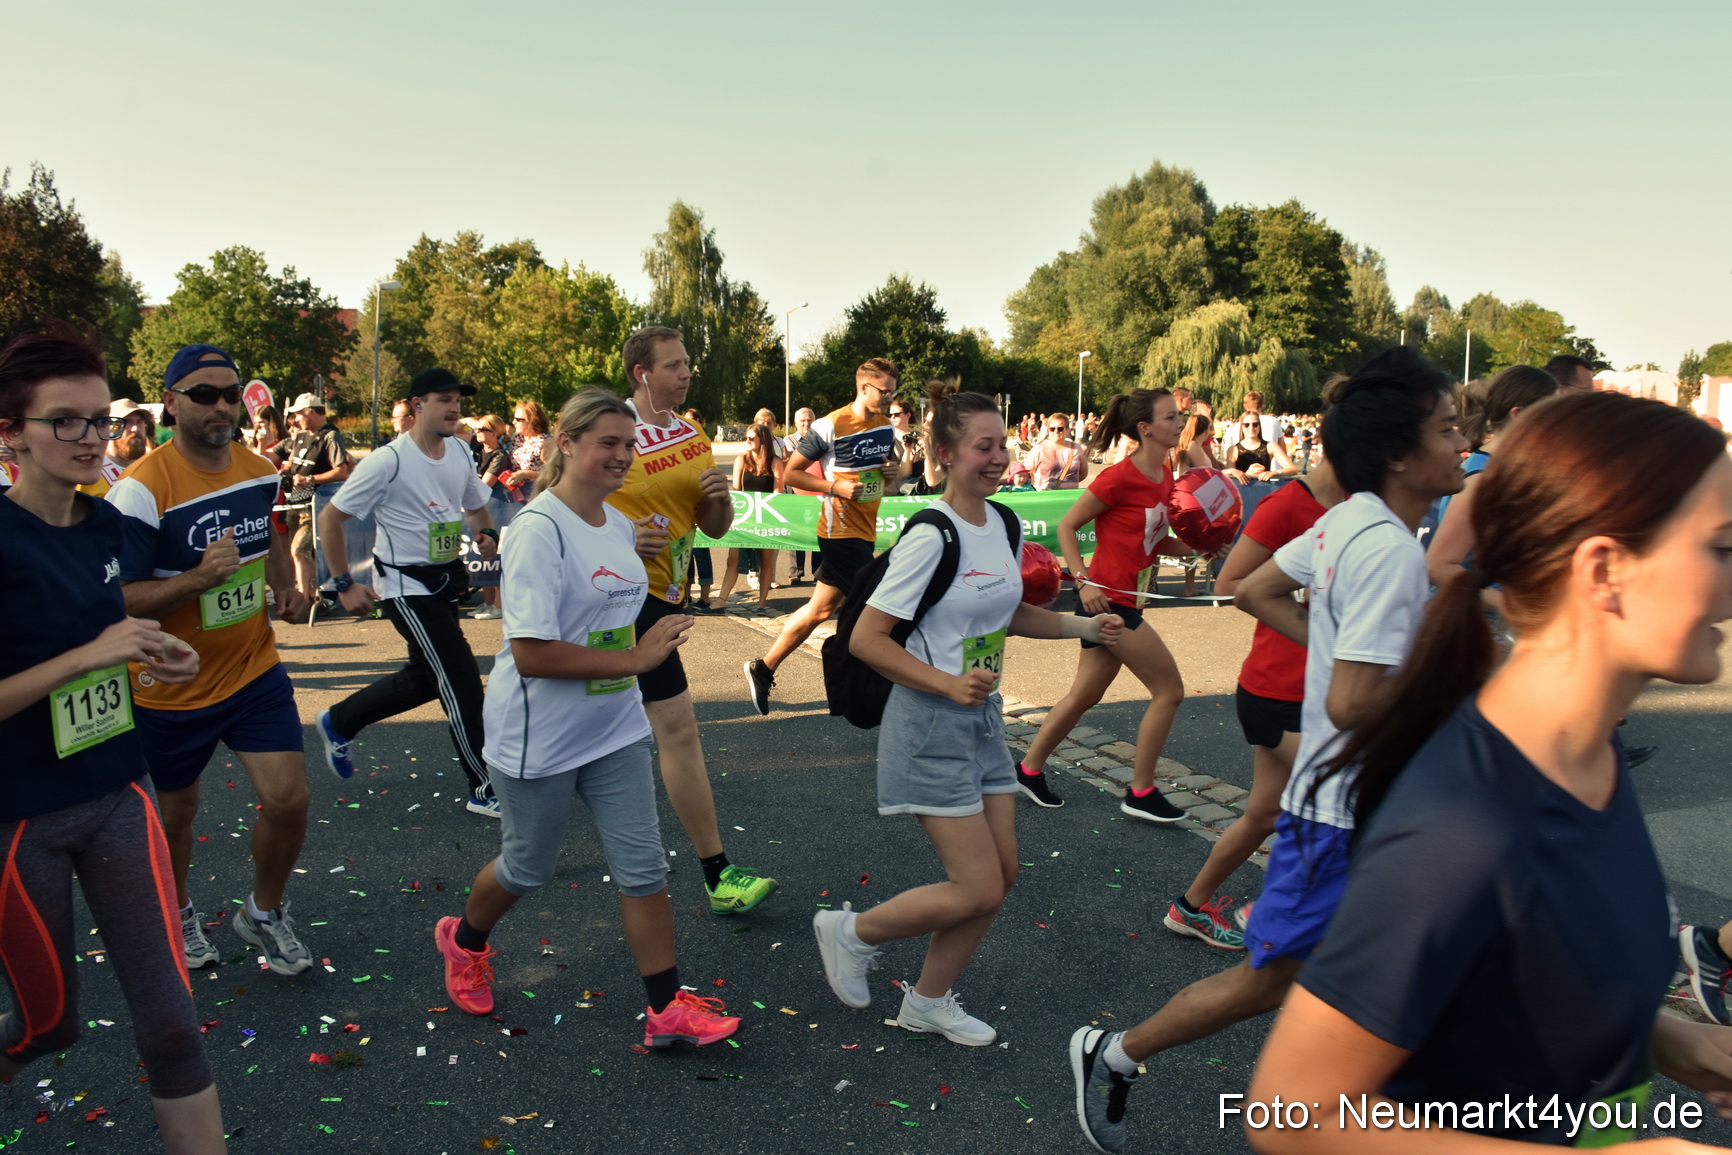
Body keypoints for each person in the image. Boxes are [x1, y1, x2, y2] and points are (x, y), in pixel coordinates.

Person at [1244, 391, 1732, 1151]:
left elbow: (1523, 977)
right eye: (1722, 546)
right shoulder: (1466, 821)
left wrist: (1669, 1037)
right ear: (1604, 569)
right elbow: (1295, 1112)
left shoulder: (1586, 754)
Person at [1069, 346, 1467, 1155]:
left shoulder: (1351, 520)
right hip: (1345, 814)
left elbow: (1252, 589)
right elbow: (1355, 699)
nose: (1464, 443)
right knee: (1275, 982)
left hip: (1362, 806)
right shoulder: (1388, 548)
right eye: (1449, 428)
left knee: (1416, 974)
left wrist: (1332, 646)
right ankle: (1114, 1053)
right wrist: (1455, 689)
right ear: (1398, 452)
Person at [814, 383, 1123, 1045]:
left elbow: (1006, 613)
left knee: (1000, 876)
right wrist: (945, 685)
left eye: (1003, 444)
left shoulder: (1004, 523)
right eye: (984, 446)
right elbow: (866, 638)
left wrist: (1085, 628)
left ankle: (927, 1000)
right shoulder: (931, 536)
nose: (999, 457)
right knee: (978, 884)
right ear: (948, 454)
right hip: (928, 723)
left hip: (981, 720)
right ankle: (851, 931)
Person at [433, 388, 739, 1049]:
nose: (624, 456)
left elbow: (619, 607)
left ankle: (665, 1009)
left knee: (644, 867)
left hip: (613, 726)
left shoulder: (618, 524)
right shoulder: (538, 530)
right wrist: (635, 658)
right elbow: (533, 653)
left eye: (630, 445)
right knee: (525, 865)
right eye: (609, 442)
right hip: (538, 733)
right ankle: (464, 941)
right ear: (566, 443)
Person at [0, 322, 227, 1154]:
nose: (92, 437)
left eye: (100, 420)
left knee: (172, 1022)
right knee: (48, 1025)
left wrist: (157, 655)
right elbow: (81, 652)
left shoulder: (103, 528)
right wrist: (91, 654)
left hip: (117, 792)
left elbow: (107, 643)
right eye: (66, 420)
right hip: (19, 817)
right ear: (10, 434)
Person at [107, 343, 316, 976]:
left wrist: (284, 581)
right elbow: (117, 598)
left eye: (231, 394)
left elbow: (270, 532)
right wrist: (196, 580)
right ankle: (177, 909)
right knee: (177, 814)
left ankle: (263, 911)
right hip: (169, 687)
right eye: (204, 395)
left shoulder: (257, 469)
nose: (222, 405)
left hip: (252, 669)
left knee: (289, 800)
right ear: (170, 403)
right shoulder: (143, 491)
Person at [605, 326, 777, 914]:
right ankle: (526, 828)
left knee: (676, 729)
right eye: (673, 365)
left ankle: (716, 873)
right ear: (641, 373)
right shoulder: (610, 431)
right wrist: (625, 539)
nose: (685, 374)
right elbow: (560, 510)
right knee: (606, 732)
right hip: (605, 600)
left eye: (687, 365)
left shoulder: (691, 432)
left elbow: (716, 527)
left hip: (663, 599)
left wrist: (720, 500)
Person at [1162, 452, 1345, 951]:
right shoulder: (1288, 504)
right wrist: (1311, 603)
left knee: (1264, 813)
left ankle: (1191, 908)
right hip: (1278, 689)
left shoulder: (1357, 505)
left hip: (1318, 688)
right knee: (1350, 802)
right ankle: (1274, 913)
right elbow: (1231, 585)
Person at [314, 368, 500, 815]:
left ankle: (339, 721)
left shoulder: (458, 450)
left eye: (458, 400)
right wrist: (343, 584)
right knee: (459, 678)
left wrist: (486, 533)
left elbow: (475, 505)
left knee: (425, 677)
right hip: (404, 586)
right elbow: (330, 520)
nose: (455, 408)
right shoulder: (388, 460)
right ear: (418, 405)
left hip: (444, 580)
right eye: (444, 399)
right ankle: (485, 786)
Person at [1014, 388, 1200, 815]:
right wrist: (1083, 582)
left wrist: (1198, 547)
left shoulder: (1166, 474)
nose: (1177, 422)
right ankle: (1141, 791)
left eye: (1178, 416)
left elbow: (1156, 540)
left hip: (1128, 599)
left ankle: (1028, 769)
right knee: (1169, 691)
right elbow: (1068, 527)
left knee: (1084, 695)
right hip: (1107, 602)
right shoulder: (1119, 477)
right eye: (1169, 417)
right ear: (1145, 428)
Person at [744, 358, 905, 714]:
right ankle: (870, 691)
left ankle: (763, 667)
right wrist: (834, 487)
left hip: (865, 531)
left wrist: (893, 472)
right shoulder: (830, 424)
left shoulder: (884, 427)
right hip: (838, 532)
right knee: (882, 608)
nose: (890, 399)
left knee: (821, 609)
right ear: (864, 387)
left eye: (894, 392)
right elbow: (792, 476)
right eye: (885, 392)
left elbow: (888, 483)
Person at [271, 392, 351, 606]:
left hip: (315, 506)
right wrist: (288, 469)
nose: (295, 420)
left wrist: (308, 479)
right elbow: (290, 460)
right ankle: (312, 596)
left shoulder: (330, 436)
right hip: (294, 504)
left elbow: (341, 471)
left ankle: (307, 600)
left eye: (298, 415)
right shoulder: (301, 435)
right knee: (298, 554)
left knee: (299, 551)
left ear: (311, 413)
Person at [710, 422, 783, 615]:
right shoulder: (741, 460)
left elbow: (778, 492)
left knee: (766, 562)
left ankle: (761, 603)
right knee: (732, 559)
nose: (747, 441)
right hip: (745, 516)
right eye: (746, 437)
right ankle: (720, 600)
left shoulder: (775, 462)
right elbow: (737, 490)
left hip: (767, 518)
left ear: (763, 440)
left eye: (752, 438)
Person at [470, 414, 513, 622]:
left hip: (497, 509)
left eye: (482, 430)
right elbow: (458, 427)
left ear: (495, 433)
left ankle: (498, 604)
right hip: (480, 509)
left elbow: (484, 485)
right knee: (482, 557)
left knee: (495, 558)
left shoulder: (500, 455)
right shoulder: (478, 449)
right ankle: (486, 601)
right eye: (476, 430)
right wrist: (473, 421)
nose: (477, 433)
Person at [78, 398, 157, 499]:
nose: (135, 428)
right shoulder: (88, 474)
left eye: (139, 422)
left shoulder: (152, 471)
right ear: (108, 427)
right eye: (127, 422)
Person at [783, 407, 817, 584]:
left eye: (809, 420)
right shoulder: (788, 441)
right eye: (802, 421)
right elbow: (791, 461)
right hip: (794, 492)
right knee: (796, 531)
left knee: (817, 530)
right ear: (795, 423)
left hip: (817, 491)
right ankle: (795, 573)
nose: (806, 423)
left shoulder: (822, 440)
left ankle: (818, 572)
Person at [1223, 409, 1298, 483]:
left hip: (1265, 490)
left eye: (1255, 424)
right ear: (1242, 427)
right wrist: (1247, 474)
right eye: (1246, 425)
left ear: (1259, 426)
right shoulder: (1233, 449)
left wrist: (1273, 473)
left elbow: (1292, 469)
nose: (1251, 428)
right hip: (1242, 492)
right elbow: (1231, 480)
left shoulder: (1270, 446)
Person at [1023, 412, 1091, 490]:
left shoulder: (1077, 449)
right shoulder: (1039, 449)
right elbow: (1026, 473)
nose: (1056, 431)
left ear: (1067, 429)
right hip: (1044, 497)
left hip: (1069, 497)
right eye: (1052, 429)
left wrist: (1067, 484)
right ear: (1048, 430)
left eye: (1060, 429)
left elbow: (1083, 474)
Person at [501, 400, 548, 504]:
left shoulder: (544, 441)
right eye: (514, 418)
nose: (513, 422)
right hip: (515, 494)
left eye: (518, 419)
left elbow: (553, 474)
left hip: (537, 494)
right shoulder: (517, 438)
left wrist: (525, 474)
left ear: (532, 421)